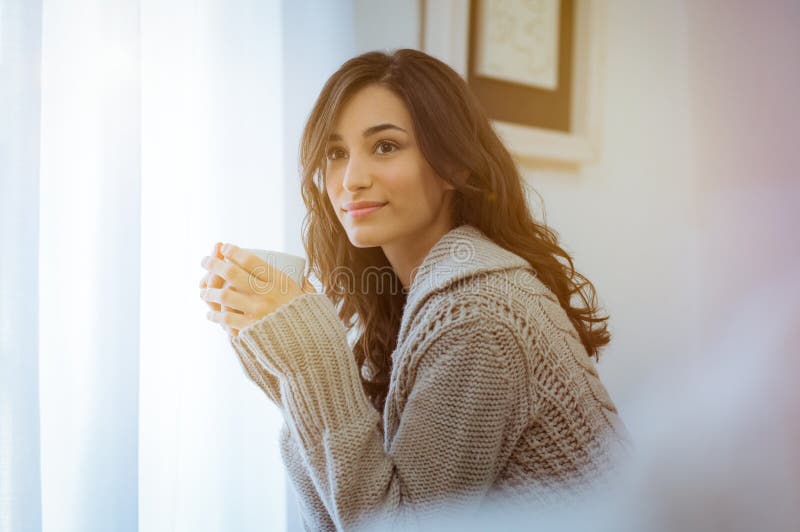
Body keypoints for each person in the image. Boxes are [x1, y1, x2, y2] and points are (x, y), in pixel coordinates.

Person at [199, 48, 631, 531]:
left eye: (385, 146)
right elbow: (337, 515)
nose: (351, 180)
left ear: (456, 167)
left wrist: (311, 362)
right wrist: (286, 369)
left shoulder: (480, 316)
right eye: (336, 153)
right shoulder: (399, 303)